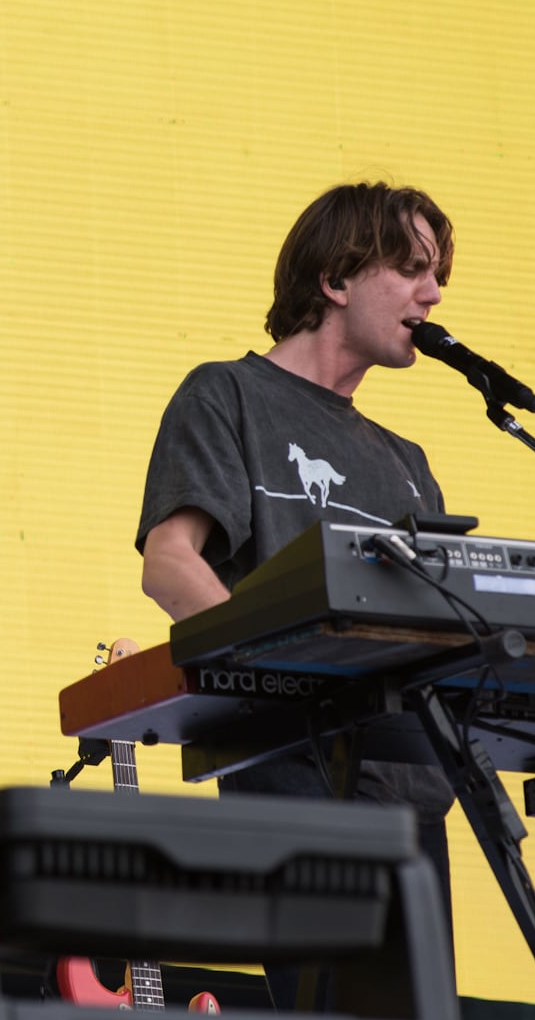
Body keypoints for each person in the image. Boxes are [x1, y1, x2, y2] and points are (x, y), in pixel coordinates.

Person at [136, 181, 458, 952]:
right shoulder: (229, 395)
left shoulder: (407, 461)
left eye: (439, 273)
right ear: (336, 278)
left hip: (409, 791)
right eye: (413, 267)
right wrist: (287, 681)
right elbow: (169, 562)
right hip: (295, 777)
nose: (435, 292)